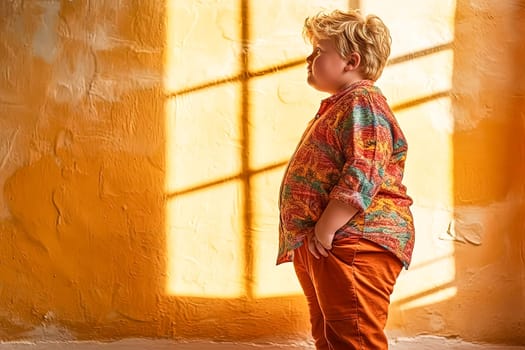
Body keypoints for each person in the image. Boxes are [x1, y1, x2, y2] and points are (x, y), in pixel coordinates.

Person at [277, 9, 415, 350]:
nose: (309, 58)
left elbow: (363, 170)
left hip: (354, 239)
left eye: (319, 51)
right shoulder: (341, 105)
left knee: (354, 339)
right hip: (328, 240)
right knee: (329, 336)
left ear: (350, 61)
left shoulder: (362, 102)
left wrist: (326, 227)